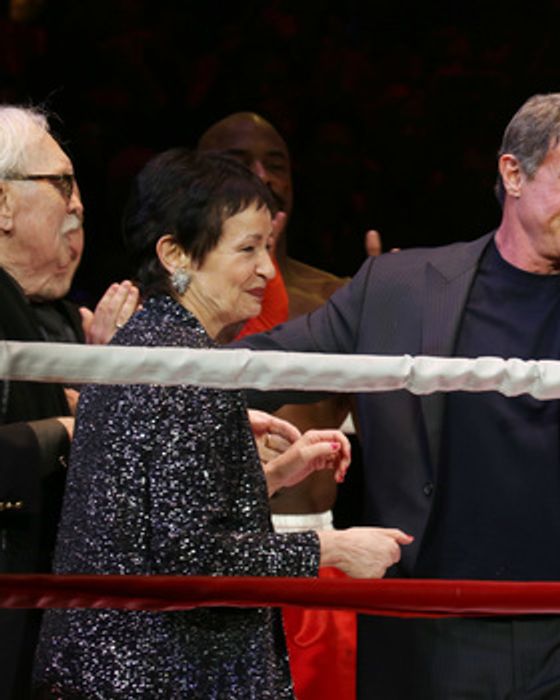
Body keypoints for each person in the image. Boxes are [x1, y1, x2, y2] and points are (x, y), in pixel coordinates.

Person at [237, 92, 560, 698]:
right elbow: (267, 365)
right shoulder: (398, 287)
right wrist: (146, 359)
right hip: (433, 629)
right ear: (514, 174)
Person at [31, 148, 413, 699]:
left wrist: (268, 478)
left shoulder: (150, 343)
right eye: (248, 249)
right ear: (175, 255)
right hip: (160, 675)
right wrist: (331, 549)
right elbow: (189, 556)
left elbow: (150, 514)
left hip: (121, 667)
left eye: (268, 248)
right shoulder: (186, 369)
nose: (268, 270)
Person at [198, 111, 365, 700]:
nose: (262, 176)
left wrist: (405, 313)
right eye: (239, 162)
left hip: (315, 548)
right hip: (209, 550)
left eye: (275, 164)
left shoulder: (338, 297)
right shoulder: (165, 306)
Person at [0, 104, 139, 698]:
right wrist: (70, 425)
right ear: (2, 204)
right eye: (61, 183)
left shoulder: (54, 317)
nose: (78, 204)